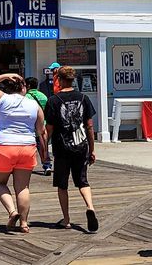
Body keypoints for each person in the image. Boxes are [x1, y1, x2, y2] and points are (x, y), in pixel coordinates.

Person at [0, 73, 45, 234]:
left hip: (5, 146)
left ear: (8, 87)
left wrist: (4, 76)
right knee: (23, 187)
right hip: (27, 147)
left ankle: (12, 211)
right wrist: (45, 154)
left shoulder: (3, 100)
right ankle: (24, 223)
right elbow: (41, 131)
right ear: (24, 88)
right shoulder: (34, 105)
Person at [45, 66, 99, 233]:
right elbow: (90, 126)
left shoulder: (53, 101)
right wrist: (92, 149)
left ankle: (66, 219)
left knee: (62, 184)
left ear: (59, 80)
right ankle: (90, 207)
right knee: (82, 181)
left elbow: (50, 128)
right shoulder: (83, 98)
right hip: (81, 145)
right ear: (73, 80)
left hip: (62, 148)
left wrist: (44, 149)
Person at [25, 77, 52, 175]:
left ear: (28, 86)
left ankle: (25, 166)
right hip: (43, 125)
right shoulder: (43, 96)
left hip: (31, 126)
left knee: (28, 147)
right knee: (43, 146)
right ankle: (47, 165)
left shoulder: (26, 97)